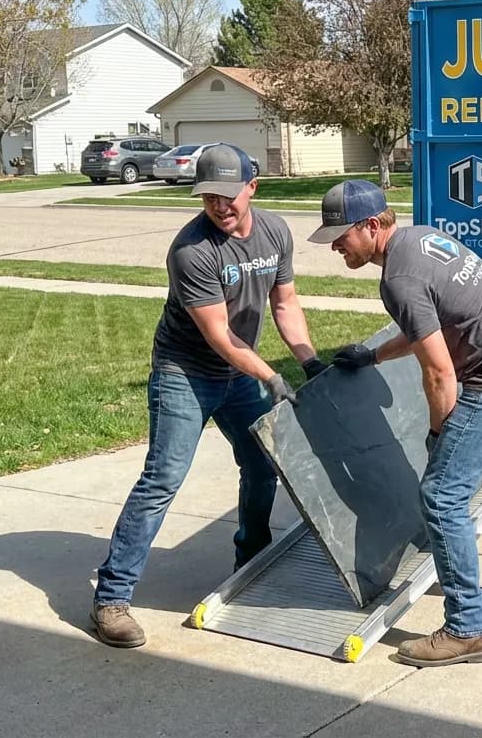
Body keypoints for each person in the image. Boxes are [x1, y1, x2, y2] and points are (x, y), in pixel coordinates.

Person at [309, 179, 482, 668]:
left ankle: (467, 628)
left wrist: (439, 434)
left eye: (340, 234)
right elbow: (428, 331)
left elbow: (439, 372)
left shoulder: (398, 277)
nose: (334, 244)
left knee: (441, 497)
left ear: (372, 226)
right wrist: (373, 355)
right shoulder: (420, 240)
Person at [90, 144, 326, 649]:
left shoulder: (275, 232)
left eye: (228, 195)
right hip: (186, 372)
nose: (219, 206)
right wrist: (271, 376)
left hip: (238, 373)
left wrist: (308, 361)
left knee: (263, 465)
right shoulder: (191, 250)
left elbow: (285, 304)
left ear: (251, 188)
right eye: (208, 197)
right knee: (163, 480)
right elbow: (220, 336)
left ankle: (251, 564)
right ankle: (111, 598)